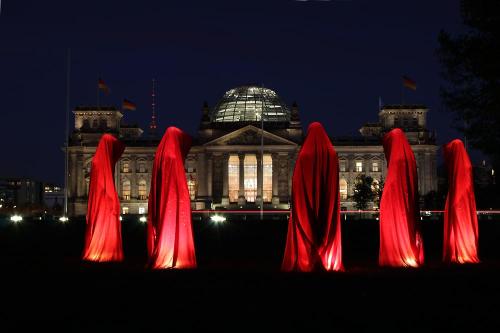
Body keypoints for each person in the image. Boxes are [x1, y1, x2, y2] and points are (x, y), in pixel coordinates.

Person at [282, 122, 343, 272]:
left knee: (307, 224)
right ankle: (326, 257)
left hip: (306, 202)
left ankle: (307, 257)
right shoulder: (331, 153)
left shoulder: (304, 153)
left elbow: (296, 179)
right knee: (325, 224)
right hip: (326, 201)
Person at [147, 127, 197, 269]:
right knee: (174, 226)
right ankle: (175, 254)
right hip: (174, 201)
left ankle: (167, 252)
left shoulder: (161, 153)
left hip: (164, 202)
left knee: (165, 226)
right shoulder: (173, 155)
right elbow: (178, 183)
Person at [379, 128, 423, 267]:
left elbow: (392, 181)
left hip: (395, 199)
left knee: (394, 222)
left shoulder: (397, 157)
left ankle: (397, 253)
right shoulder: (409, 155)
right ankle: (408, 251)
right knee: (407, 223)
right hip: (408, 201)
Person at [83, 134, 125, 262]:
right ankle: (105, 249)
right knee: (106, 225)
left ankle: (102, 248)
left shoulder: (97, 160)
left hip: (101, 203)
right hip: (105, 202)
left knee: (102, 226)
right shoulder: (103, 162)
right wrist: (114, 202)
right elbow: (106, 185)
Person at [443, 139, 479, 264]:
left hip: (458, 203)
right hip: (465, 203)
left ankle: (460, 251)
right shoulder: (466, 163)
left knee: (459, 225)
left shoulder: (459, 165)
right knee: (464, 226)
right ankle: (465, 250)